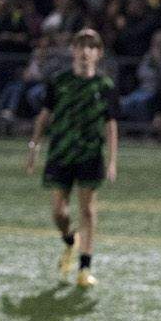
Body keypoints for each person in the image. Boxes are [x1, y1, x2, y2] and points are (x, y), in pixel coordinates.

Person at [23, 29, 119, 289]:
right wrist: (34, 147)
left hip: (90, 154)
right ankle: (69, 239)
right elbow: (44, 116)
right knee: (59, 212)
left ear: (99, 53)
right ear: (73, 51)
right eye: (81, 46)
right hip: (61, 153)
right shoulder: (59, 81)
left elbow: (111, 125)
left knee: (87, 210)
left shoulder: (105, 86)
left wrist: (112, 160)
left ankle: (85, 268)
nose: (85, 51)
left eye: (91, 47)